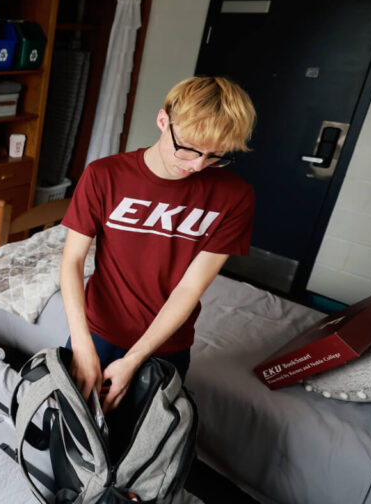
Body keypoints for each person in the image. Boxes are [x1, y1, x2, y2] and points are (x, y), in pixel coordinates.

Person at [60, 76, 256, 412]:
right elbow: (72, 261)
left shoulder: (235, 197)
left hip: (167, 344)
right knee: (73, 433)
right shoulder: (104, 175)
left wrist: (135, 359)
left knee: (143, 449)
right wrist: (81, 343)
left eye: (215, 156)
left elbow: (190, 287)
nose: (196, 165)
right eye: (189, 147)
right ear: (163, 120)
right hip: (97, 331)